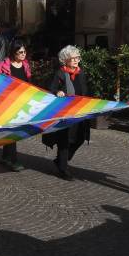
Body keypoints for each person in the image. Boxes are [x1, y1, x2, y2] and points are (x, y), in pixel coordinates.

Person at [42, 46, 90, 181]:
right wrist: (57, 92)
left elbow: (85, 91)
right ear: (65, 60)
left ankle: (61, 160)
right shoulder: (60, 73)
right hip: (65, 113)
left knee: (80, 137)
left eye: (78, 57)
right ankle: (63, 168)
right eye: (73, 58)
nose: (76, 60)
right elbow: (51, 89)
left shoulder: (81, 73)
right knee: (65, 140)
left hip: (79, 111)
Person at [0, 39, 32, 172]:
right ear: (14, 53)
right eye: (20, 52)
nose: (23, 54)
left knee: (13, 130)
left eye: (24, 52)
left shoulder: (26, 65)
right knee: (13, 131)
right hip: (8, 103)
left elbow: (28, 83)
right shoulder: (5, 65)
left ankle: (5, 157)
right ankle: (13, 160)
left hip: (21, 102)